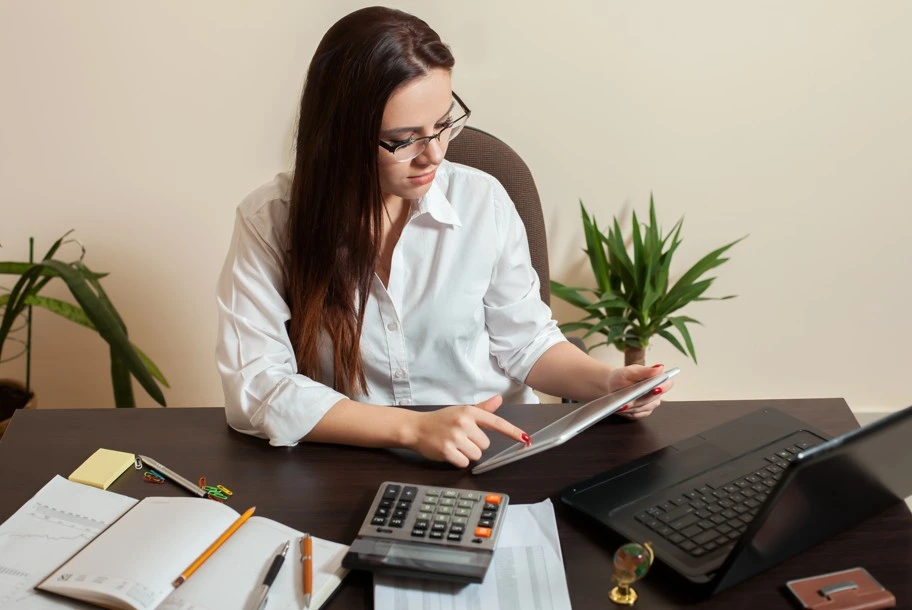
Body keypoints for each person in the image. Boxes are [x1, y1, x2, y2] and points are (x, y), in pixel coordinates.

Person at [216, 6, 674, 468]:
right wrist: (414, 428)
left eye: (442, 124)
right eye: (404, 139)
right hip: (359, 463)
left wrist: (609, 382)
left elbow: (527, 342)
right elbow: (257, 387)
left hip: (498, 450)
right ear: (339, 137)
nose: (433, 154)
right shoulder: (272, 221)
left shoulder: (483, 201)